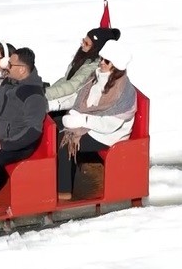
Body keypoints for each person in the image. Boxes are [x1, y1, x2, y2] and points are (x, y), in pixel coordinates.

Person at [0, 47, 48, 216]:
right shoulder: (11, 80)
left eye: (10, 64)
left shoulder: (33, 95)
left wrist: (5, 143)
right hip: (1, 133)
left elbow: (32, 131)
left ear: (22, 69)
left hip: (18, 143)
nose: (7, 67)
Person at [56, 41, 137, 200]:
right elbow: (82, 99)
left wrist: (82, 120)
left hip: (109, 134)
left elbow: (110, 124)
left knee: (66, 143)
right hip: (92, 123)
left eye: (106, 61)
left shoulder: (124, 92)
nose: (100, 63)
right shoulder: (96, 76)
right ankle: (56, 175)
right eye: (101, 58)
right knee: (55, 125)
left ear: (116, 65)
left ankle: (64, 192)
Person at [46, 27, 122, 110]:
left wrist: (46, 93)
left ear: (96, 48)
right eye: (83, 40)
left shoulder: (93, 67)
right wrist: (47, 91)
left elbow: (72, 86)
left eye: (86, 43)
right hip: (66, 95)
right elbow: (66, 79)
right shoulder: (84, 57)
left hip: (73, 104)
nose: (82, 44)